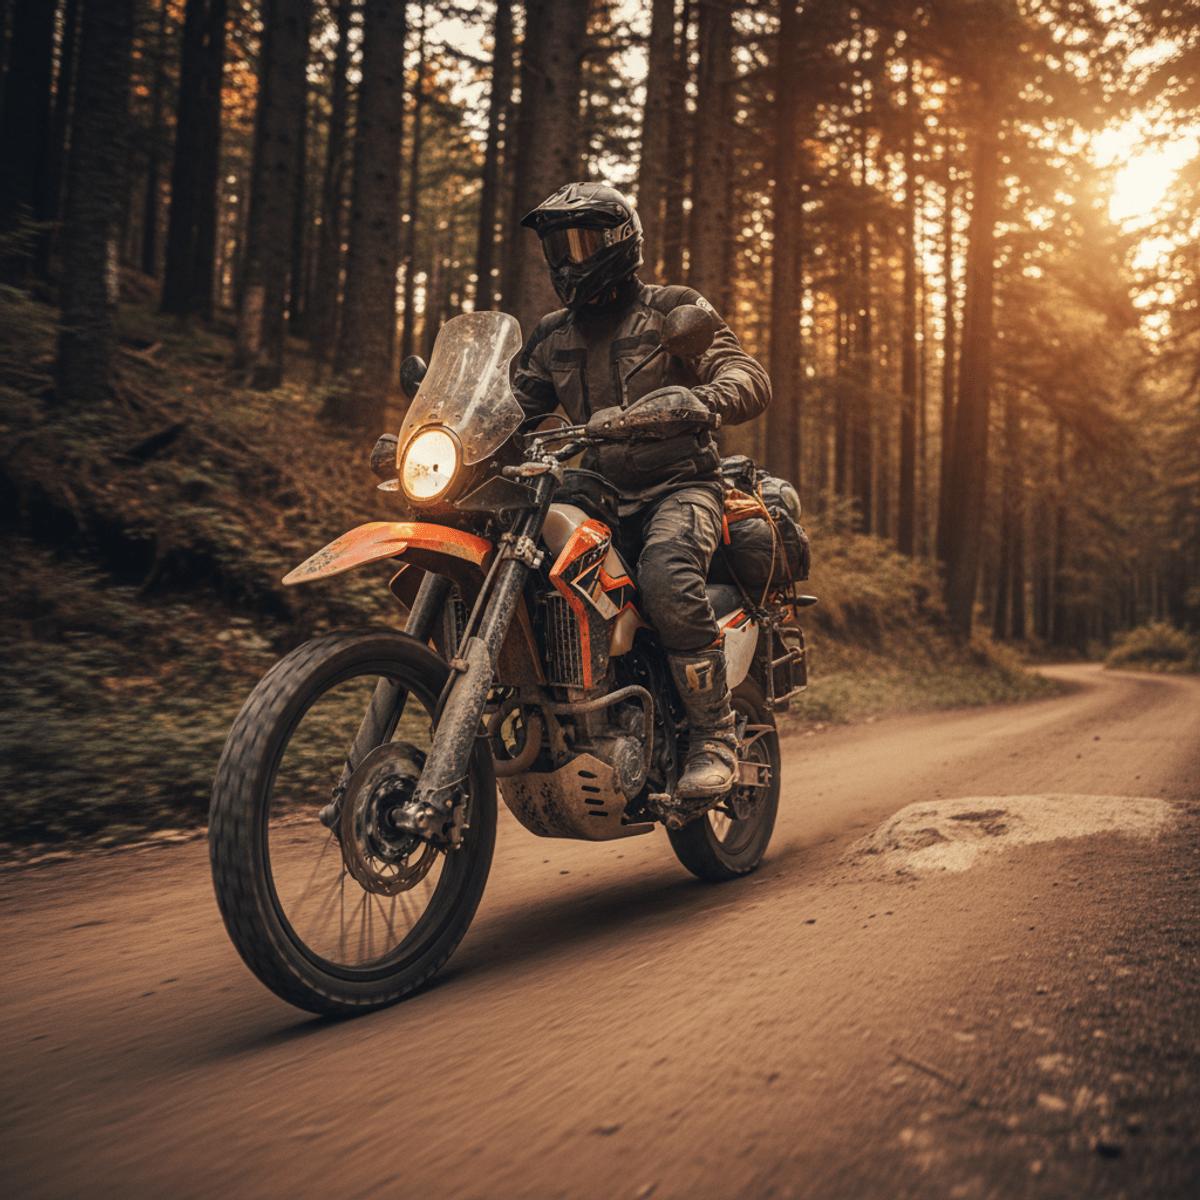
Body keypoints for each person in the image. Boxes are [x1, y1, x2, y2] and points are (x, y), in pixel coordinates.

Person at [513, 181, 771, 802]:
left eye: (582, 242)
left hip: (680, 485)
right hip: (592, 492)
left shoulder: (671, 310)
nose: (569, 259)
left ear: (620, 240)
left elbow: (747, 376)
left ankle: (714, 732)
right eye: (558, 246)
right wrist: (449, 432)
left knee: (665, 568)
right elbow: (510, 409)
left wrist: (699, 398)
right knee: (518, 561)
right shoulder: (551, 336)